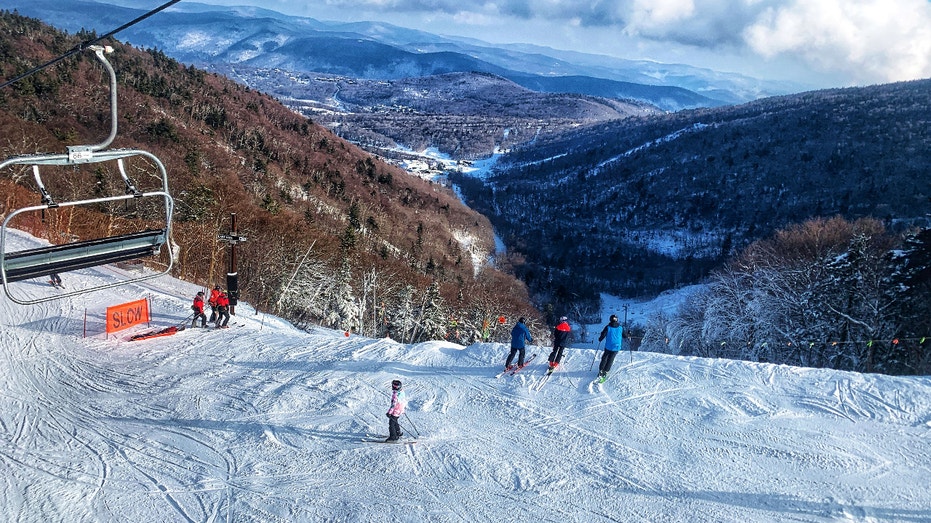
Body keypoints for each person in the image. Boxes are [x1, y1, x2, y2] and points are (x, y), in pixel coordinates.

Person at [597, 314, 624, 380]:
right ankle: (606, 371)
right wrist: (629, 334)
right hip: (616, 346)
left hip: (609, 346)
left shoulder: (608, 327)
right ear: (617, 320)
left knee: (605, 357)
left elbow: (603, 334)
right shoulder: (620, 327)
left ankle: (601, 370)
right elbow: (625, 335)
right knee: (611, 359)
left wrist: (600, 339)